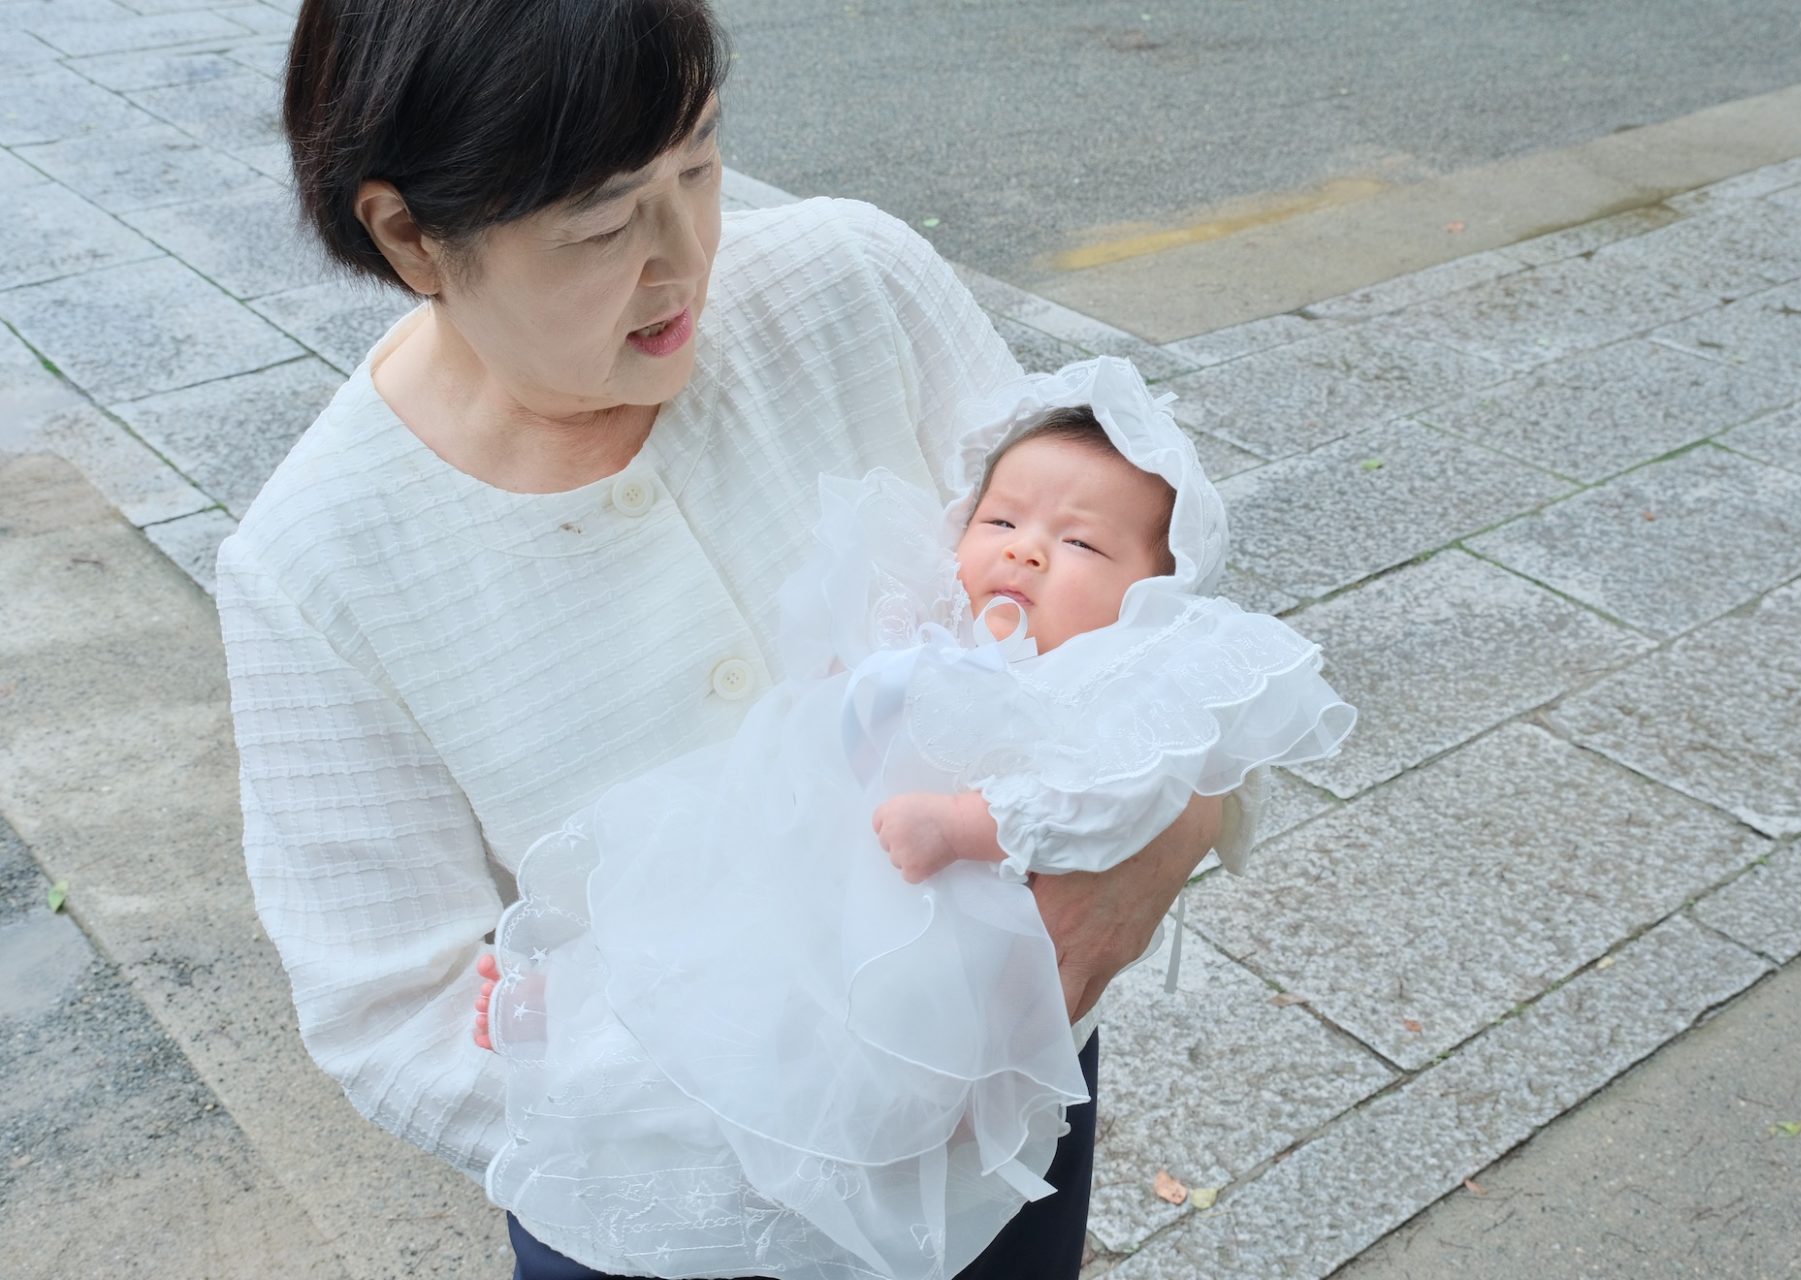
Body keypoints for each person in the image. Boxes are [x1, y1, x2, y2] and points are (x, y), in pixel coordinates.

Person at [221, 1, 1264, 1275]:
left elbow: (1146, 603)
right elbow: (394, 1008)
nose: (686, 258)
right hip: (669, 1206)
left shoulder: (857, 285)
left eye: (701, 163)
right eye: (605, 223)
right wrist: (763, 1113)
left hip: (999, 1090)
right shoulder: (314, 562)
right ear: (409, 233)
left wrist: (1177, 827)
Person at [480, 358, 1356, 1279]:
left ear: (1152, 596)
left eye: (1083, 546)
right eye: (1002, 522)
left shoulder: (1095, 691)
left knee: (853, 1053)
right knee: (707, 943)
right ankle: (574, 1011)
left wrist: (968, 825)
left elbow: (1107, 803)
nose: (1024, 551)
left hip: (942, 916)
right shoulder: (937, 623)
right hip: (804, 858)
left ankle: (855, 1155)